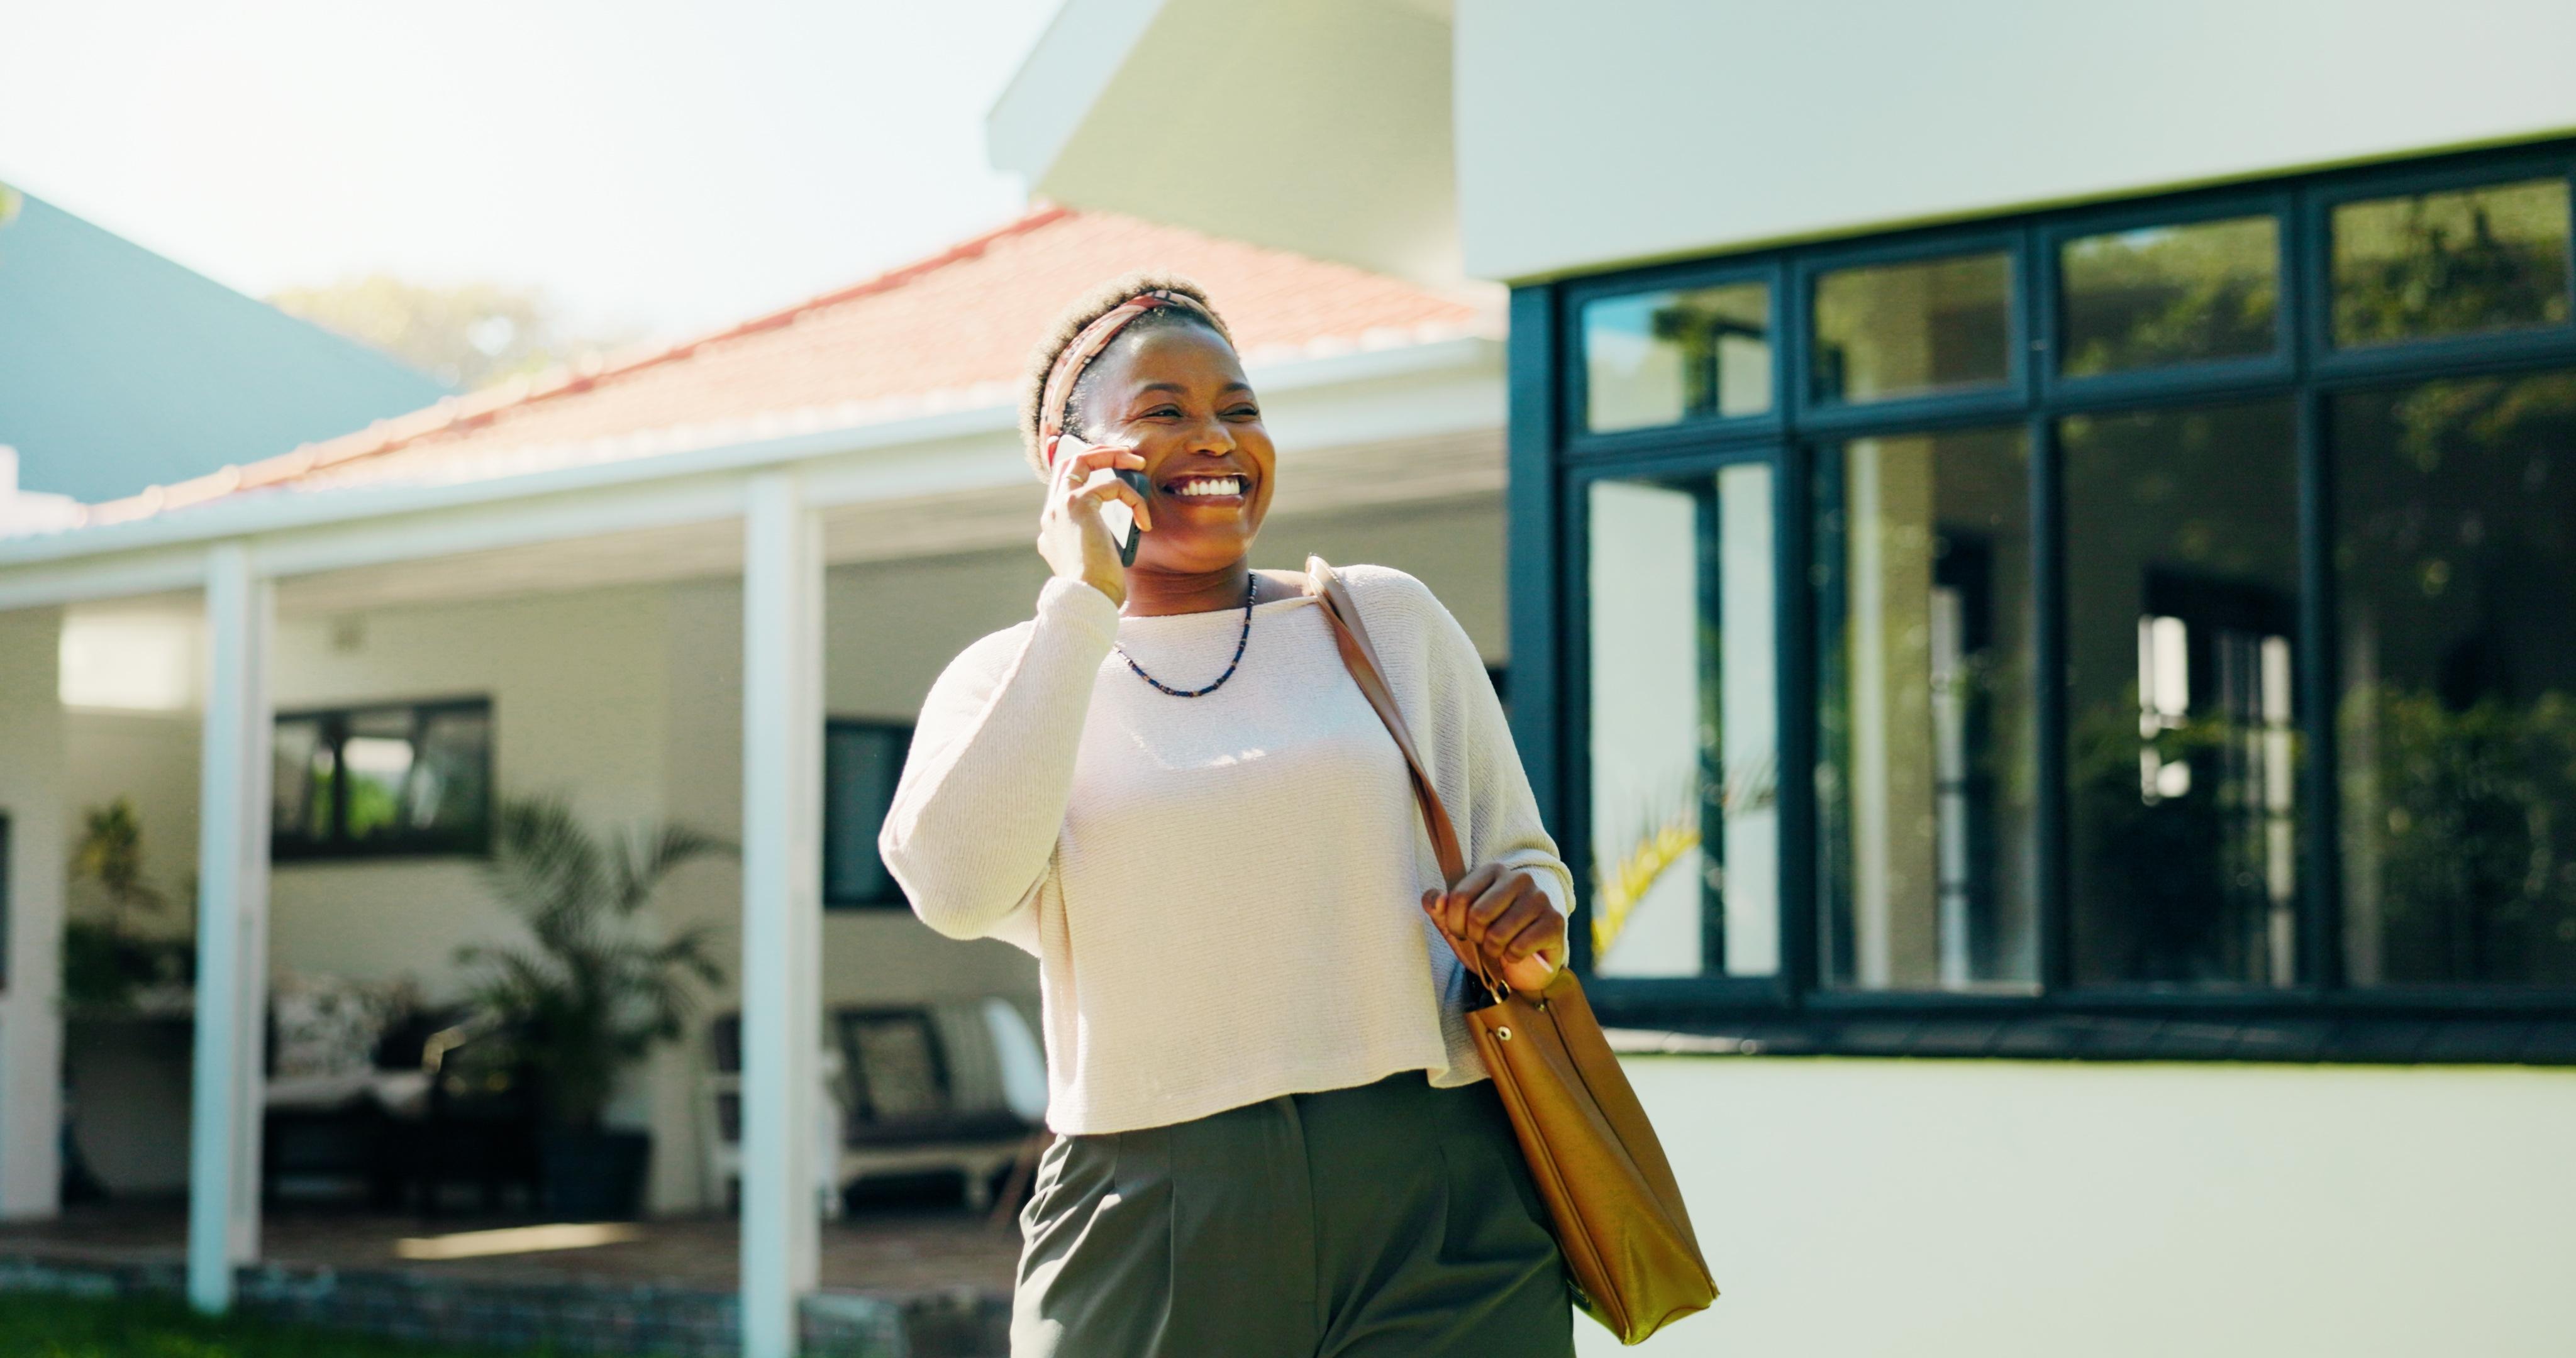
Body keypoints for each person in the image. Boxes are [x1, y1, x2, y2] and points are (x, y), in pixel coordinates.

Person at [880, 273, 1576, 1357]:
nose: (1215, 437)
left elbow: (1525, 863)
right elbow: (957, 892)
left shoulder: (1382, 619)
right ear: (1070, 462)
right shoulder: (1014, 676)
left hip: (1438, 1188)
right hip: (1152, 1198)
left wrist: (1531, 916)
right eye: (1164, 410)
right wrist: (1081, 604)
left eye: (1238, 408)